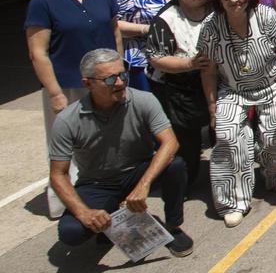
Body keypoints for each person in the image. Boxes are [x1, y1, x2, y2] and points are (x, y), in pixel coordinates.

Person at [48, 49, 192, 256]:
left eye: (123, 75)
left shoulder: (144, 100)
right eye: (109, 79)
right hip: (98, 183)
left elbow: (170, 142)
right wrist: (84, 213)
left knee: (175, 165)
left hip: (138, 171)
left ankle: (172, 226)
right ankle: (112, 219)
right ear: (88, 84)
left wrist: (143, 186)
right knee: (71, 233)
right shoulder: (67, 121)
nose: (119, 83)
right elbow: (58, 174)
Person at [26, 0, 121, 218]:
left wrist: (119, 72)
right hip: (68, 86)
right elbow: (38, 53)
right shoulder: (42, 3)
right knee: (67, 146)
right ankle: (66, 204)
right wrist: (55, 92)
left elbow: (115, 32)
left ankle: (106, 195)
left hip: (107, 82)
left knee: (107, 140)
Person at [198, 0, 276, 227]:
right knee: (227, 134)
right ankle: (233, 200)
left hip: (271, 84)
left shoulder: (267, 16)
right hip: (232, 89)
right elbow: (208, 71)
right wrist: (212, 107)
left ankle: (272, 173)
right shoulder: (210, 26)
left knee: (273, 134)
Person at [144, 0, 213, 187]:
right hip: (178, 87)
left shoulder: (220, 6)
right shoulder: (166, 18)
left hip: (218, 82)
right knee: (186, 143)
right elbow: (156, 58)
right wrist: (189, 64)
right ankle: (184, 184)